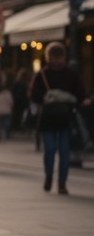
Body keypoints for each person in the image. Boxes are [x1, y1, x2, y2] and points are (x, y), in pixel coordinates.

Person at [29, 42, 86, 195]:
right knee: (50, 150)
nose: (56, 61)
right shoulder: (43, 74)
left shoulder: (70, 74)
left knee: (64, 152)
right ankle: (49, 175)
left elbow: (81, 93)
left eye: (59, 58)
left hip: (65, 118)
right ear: (49, 58)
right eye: (54, 58)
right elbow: (34, 95)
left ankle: (61, 182)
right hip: (49, 119)